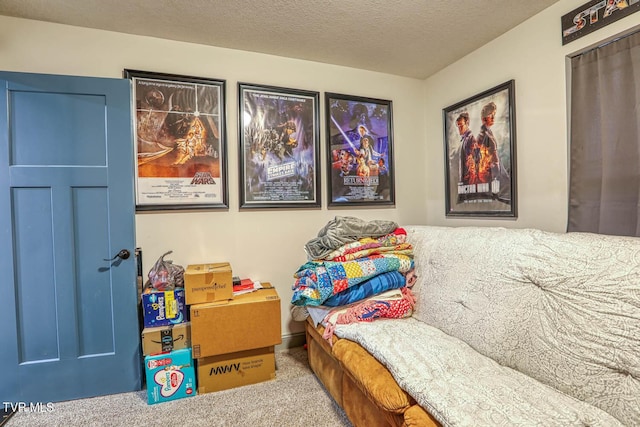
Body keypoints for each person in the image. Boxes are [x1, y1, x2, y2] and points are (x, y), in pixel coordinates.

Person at [476, 102, 510, 202]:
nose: (493, 118)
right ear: (484, 119)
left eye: (494, 115)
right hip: (493, 172)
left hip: (497, 170)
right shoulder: (483, 135)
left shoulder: (488, 132)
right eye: (491, 116)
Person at [456, 112, 479, 185]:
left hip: (468, 183)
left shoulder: (470, 139)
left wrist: (469, 183)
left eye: (461, 125)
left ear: (467, 123)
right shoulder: (464, 139)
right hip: (464, 182)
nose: (459, 128)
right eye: (458, 126)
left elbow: (473, 164)